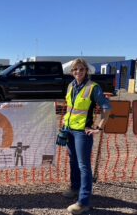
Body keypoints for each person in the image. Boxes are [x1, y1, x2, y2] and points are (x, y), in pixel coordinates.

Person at [61, 58, 111, 214]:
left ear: (86, 71)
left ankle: (83, 202)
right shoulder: (71, 86)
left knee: (84, 166)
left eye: (81, 69)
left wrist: (99, 127)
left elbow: (107, 108)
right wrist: (64, 124)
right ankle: (75, 187)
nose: (78, 72)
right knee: (73, 160)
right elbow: (70, 108)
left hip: (83, 131)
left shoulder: (93, 87)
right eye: (75, 69)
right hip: (69, 129)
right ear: (72, 72)